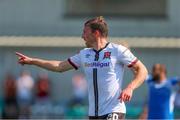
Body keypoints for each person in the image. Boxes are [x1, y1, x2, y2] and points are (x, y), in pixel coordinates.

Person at [15, 16, 147, 119]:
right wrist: (32, 61)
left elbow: (142, 70)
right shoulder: (85, 54)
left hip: (114, 110)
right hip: (93, 114)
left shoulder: (118, 50)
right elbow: (59, 66)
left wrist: (130, 87)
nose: (82, 36)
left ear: (95, 33)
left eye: (85, 32)